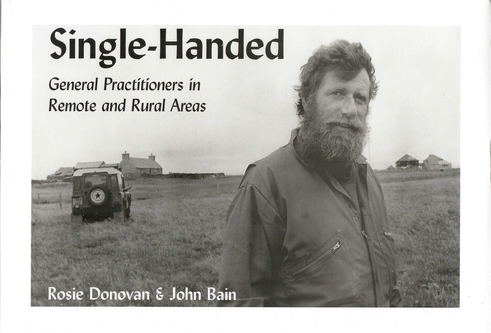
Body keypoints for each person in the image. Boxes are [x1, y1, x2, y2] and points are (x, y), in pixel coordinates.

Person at [217, 40, 402, 307]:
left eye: (360, 98)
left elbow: (390, 292)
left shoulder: (369, 178)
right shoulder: (265, 184)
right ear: (306, 100)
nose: (350, 109)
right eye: (338, 93)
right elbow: (240, 307)